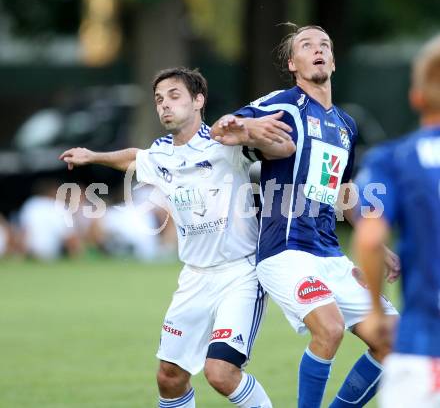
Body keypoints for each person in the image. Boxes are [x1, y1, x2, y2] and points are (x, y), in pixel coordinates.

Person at [59, 67, 294, 408]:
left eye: (173, 96)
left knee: (221, 373)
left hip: (239, 274)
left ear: (198, 100)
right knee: (169, 377)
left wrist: (251, 129)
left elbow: (280, 150)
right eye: (158, 100)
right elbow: (135, 158)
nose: (164, 105)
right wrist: (93, 156)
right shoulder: (161, 152)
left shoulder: (224, 141)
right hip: (194, 277)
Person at [211, 24, 399, 407]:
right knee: (329, 330)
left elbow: (342, 192)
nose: (318, 50)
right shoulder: (284, 104)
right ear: (292, 63)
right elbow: (222, 129)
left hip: (329, 254)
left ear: (332, 60)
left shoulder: (345, 125)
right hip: (286, 252)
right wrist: (243, 127)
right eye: (306, 45)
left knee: (393, 338)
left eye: (324, 45)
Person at [354, 35, 440, 407]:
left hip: (421, 349)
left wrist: (375, 311)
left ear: (416, 97)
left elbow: (371, 237)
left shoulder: (391, 159)